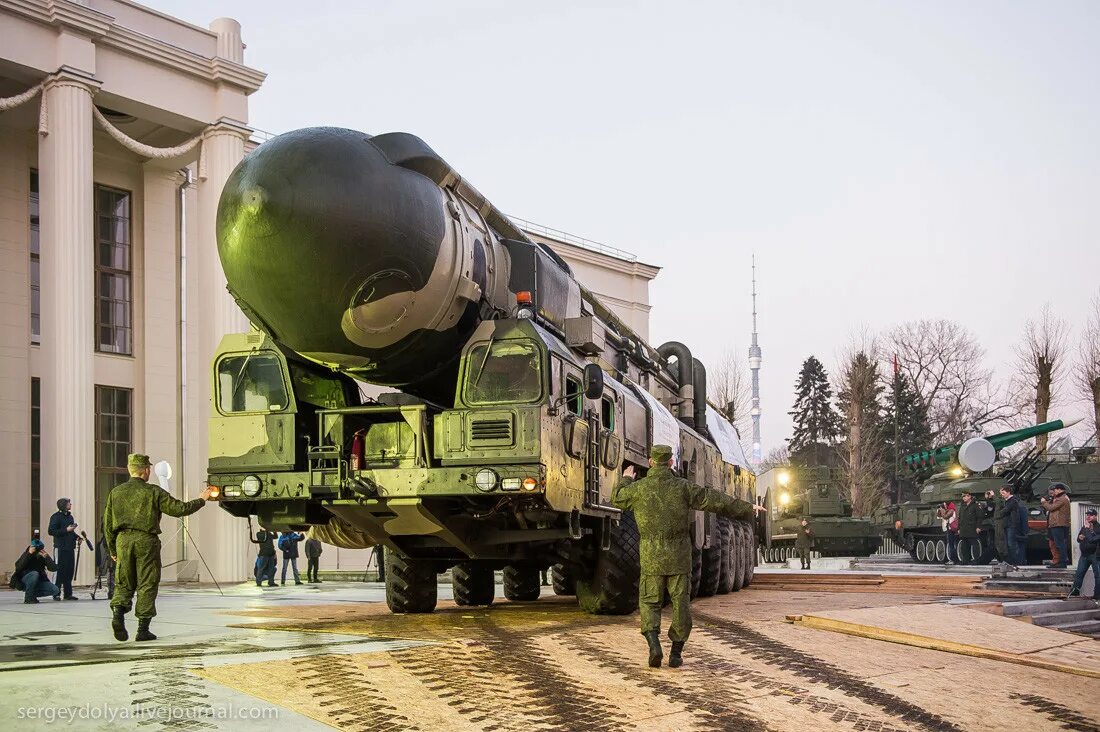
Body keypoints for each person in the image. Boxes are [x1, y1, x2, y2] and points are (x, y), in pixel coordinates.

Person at [612, 444, 765, 669]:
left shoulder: (639, 489)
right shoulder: (683, 488)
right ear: (671, 462)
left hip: (651, 557)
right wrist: (747, 507)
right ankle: (676, 653)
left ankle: (654, 645)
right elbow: (716, 501)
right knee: (680, 604)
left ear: (651, 462)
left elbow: (617, 498)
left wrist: (626, 478)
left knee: (649, 602)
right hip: (679, 558)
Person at [103, 454, 215, 642]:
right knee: (147, 582)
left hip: (122, 541)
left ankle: (118, 613)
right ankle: (142, 630)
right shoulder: (153, 492)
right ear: (146, 470)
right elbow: (179, 509)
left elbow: (107, 525)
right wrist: (201, 499)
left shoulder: (116, 492)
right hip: (146, 540)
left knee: (123, 581)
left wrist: (113, 550)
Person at [47, 497, 80, 600]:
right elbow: (51, 531)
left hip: (70, 547)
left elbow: (71, 532)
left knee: (69, 570)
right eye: (69, 503)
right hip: (60, 547)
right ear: (63, 505)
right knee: (59, 571)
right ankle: (56, 593)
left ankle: (68, 594)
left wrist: (77, 537)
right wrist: (66, 529)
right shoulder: (55, 517)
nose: (71, 505)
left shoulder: (70, 517)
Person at [12, 539, 60, 603]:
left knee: (55, 590)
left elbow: (53, 568)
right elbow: (18, 567)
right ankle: (28, 598)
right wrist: (29, 553)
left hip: (39, 582)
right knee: (34, 574)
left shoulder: (42, 556)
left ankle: (32, 594)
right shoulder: (26, 554)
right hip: (25, 581)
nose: (37, 551)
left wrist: (47, 557)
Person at [1067, 508, 1099, 600]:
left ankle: (1097, 595)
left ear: (1095, 516)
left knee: (1097, 575)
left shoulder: (1098, 527)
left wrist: (1088, 530)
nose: (1088, 516)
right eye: (1087, 515)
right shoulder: (1085, 527)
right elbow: (1078, 538)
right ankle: (1075, 592)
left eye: (1091, 515)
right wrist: (1079, 537)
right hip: (1084, 555)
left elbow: (1092, 540)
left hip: (1095, 555)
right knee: (1079, 574)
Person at [1040, 483, 1071, 569]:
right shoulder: (1058, 498)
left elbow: (1051, 508)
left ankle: (1062, 562)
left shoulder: (1062, 499)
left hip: (1058, 524)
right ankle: (1057, 561)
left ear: (1060, 490)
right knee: (1055, 543)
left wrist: (1043, 502)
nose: (1054, 492)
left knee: (1060, 544)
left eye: (1055, 490)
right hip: (1055, 524)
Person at [1001, 486, 1029, 567]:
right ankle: (1017, 561)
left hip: (1013, 526)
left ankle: (1016, 561)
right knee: (1013, 544)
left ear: (1009, 492)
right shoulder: (1011, 501)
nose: (1002, 495)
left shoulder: (1013, 501)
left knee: (1013, 544)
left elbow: (1005, 511)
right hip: (1011, 525)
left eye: (1003, 493)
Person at [956, 493, 981, 565]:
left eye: (965, 496)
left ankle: (976, 560)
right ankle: (965, 560)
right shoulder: (962, 506)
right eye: (963, 497)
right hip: (963, 528)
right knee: (964, 545)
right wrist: (959, 528)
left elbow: (979, 517)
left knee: (974, 544)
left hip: (972, 528)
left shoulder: (975, 505)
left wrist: (978, 526)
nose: (963, 498)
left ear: (969, 496)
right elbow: (960, 518)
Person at [986, 489, 1010, 562]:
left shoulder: (1005, 501)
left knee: (1001, 542)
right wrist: (988, 498)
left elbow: (999, 502)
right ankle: (1002, 559)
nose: (1001, 494)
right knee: (998, 542)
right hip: (997, 522)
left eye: (1003, 493)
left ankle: (1005, 559)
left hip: (1001, 522)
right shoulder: (999, 501)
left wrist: (993, 496)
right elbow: (991, 507)